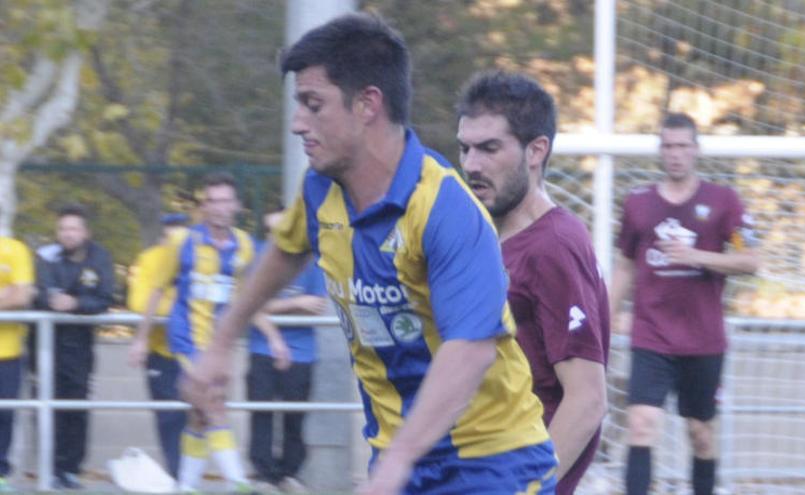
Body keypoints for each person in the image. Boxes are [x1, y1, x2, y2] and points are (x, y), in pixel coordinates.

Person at [180, 13, 557, 495]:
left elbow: (471, 351)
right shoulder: (321, 189)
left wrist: (395, 465)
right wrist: (220, 344)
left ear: (367, 105)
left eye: (312, 105)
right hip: (398, 461)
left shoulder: (445, 209)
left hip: (492, 467)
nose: (298, 124)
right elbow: (286, 250)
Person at [457, 71, 609, 495]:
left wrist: (529, 488)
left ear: (536, 150)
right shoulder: (479, 236)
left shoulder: (554, 244)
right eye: (465, 148)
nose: (471, 164)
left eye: (489, 148)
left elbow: (587, 399)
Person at [610, 113, 760, 495]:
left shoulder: (724, 201)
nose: (675, 154)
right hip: (651, 337)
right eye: (668, 146)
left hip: (703, 340)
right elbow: (625, 266)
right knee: (641, 424)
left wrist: (697, 257)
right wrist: (605, 314)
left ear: (696, 150)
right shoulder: (638, 203)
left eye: (683, 146)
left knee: (701, 434)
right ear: (660, 150)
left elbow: (751, 260)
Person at [132, 173, 288, 493]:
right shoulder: (182, 242)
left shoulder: (245, 246)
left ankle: (186, 485)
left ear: (237, 205)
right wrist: (141, 338)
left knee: (200, 417)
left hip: (221, 345)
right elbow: (157, 289)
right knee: (215, 403)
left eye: (226, 200)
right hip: (187, 341)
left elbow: (250, 299)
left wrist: (274, 337)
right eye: (213, 201)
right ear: (203, 207)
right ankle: (239, 483)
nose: (219, 208)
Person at [246, 207, 327, 493]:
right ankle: (264, 476)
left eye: (281, 231)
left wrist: (271, 306)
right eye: (270, 231)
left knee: (295, 416)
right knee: (262, 413)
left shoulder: (312, 262)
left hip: (302, 351)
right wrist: (294, 304)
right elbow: (249, 304)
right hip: (262, 348)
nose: (275, 238)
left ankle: (288, 474)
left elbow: (315, 307)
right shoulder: (258, 258)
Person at [34, 204, 115, 490]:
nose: (68, 234)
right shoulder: (45, 256)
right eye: (63, 229)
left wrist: (77, 304)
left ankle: (70, 469)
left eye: (74, 228)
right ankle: (49, 468)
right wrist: (55, 301)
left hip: (80, 346)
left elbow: (105, 298)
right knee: (45, 405)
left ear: (85, 232)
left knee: (77, 406)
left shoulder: (99, 257)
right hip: (45, 345)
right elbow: (40, 293)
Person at [126, 212, 190, 477]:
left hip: (195, 351)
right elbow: (139, 303)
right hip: (160, 352)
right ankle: (178, 477)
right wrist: (179, 308)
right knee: (168, 418)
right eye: (169, 235)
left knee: (199, 419)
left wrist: (167, 304)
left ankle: (188, 476)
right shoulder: (149, 259)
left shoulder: (201, 257)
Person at [0, 232, 35, 492]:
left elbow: (22, 296)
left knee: (4, 415)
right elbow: (12, 295)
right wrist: (5, 293)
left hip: (7, 352)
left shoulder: (15, 249)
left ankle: (0, 474)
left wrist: (13, 293)